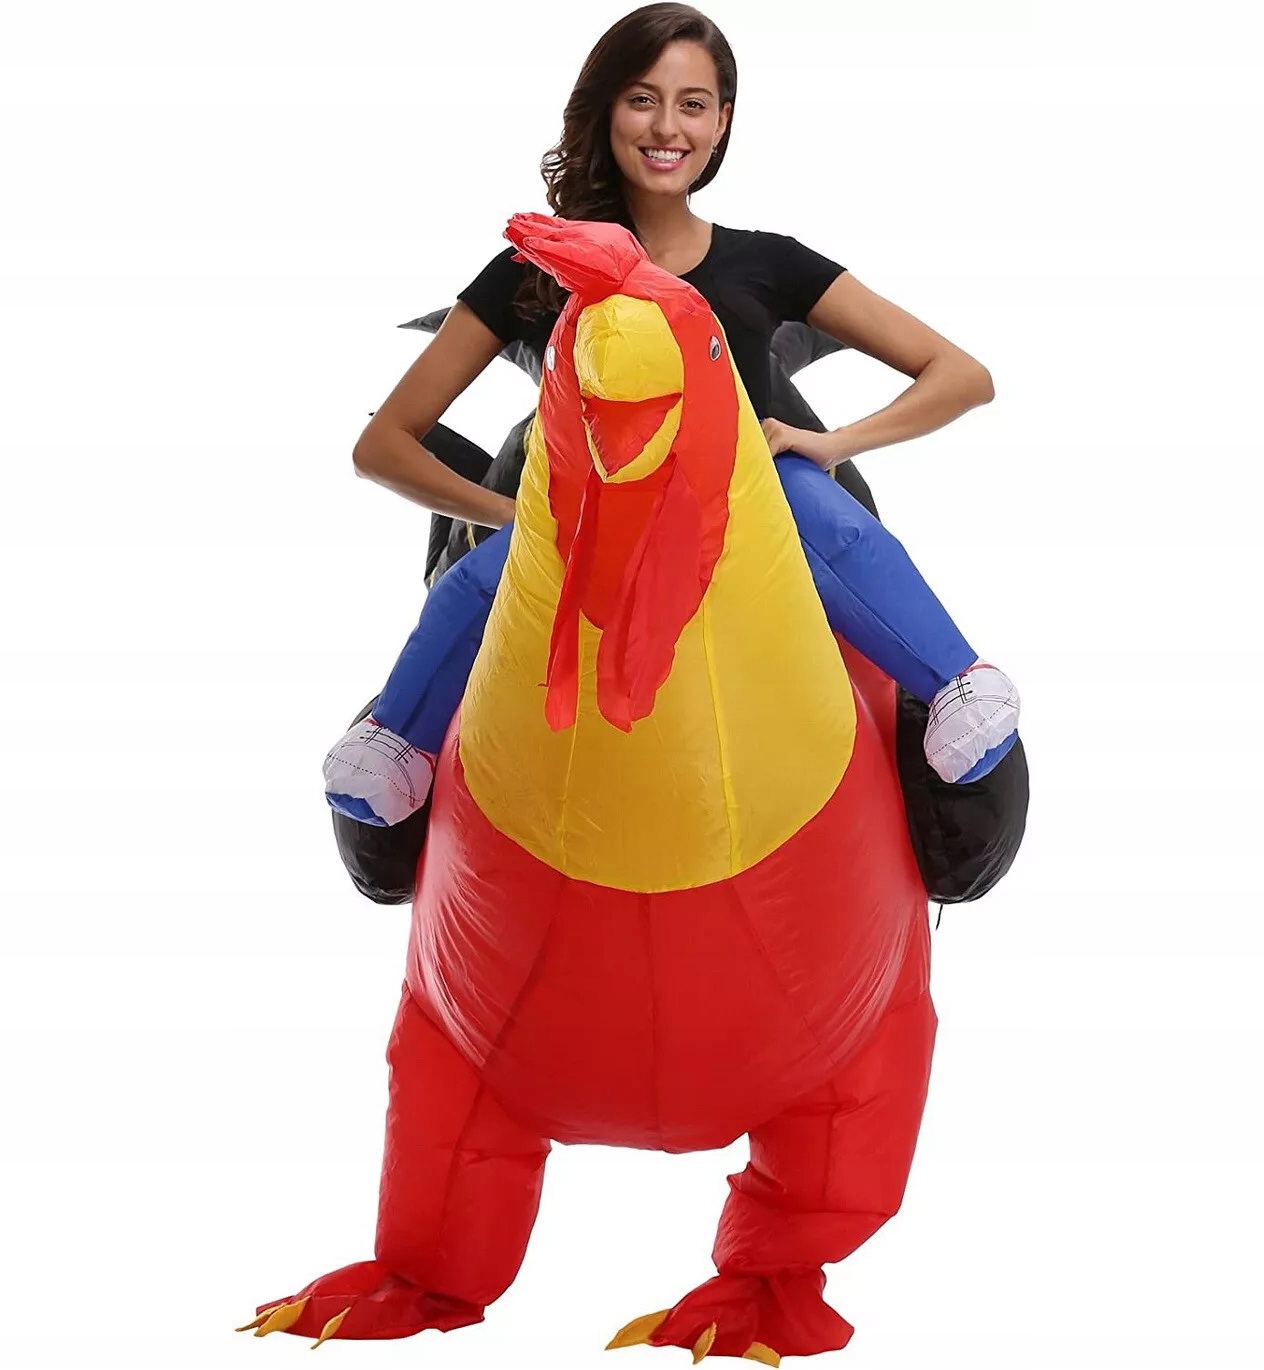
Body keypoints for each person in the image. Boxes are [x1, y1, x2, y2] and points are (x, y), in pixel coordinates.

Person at [329, 2, 1020, 827]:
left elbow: (962, 375)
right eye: (642, 99)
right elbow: (383, 445)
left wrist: (832, 442)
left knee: (811, 507)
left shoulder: (770, 262)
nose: (667, 127)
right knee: (480, 583)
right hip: (596, 529)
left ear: (722, 121)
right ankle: (397, 740)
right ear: (606, 110)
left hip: (743, 515)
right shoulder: (540, 269)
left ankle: (957, 684)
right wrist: (516, 516)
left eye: (693, 104)